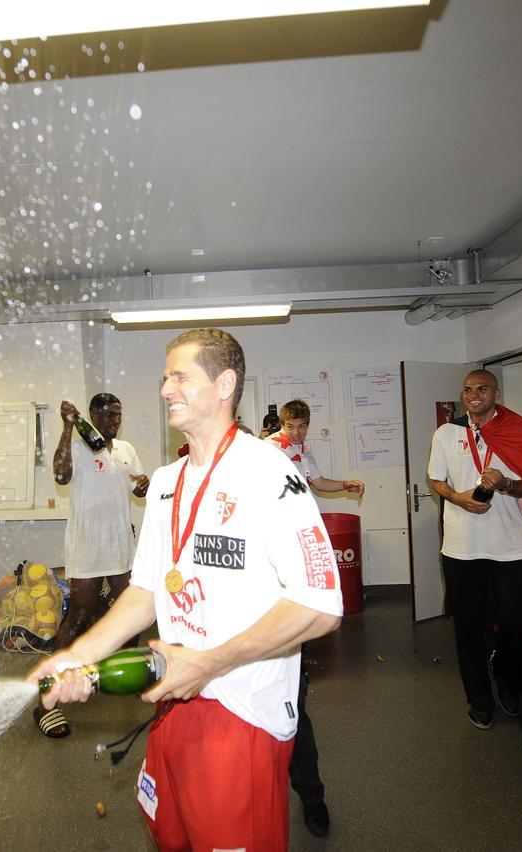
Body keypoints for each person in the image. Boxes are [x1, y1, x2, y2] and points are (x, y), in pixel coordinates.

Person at [30, 328, 343, 851]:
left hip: (242, 713)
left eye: (180, 376)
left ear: (224, 385)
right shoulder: (168, 482)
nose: (165, 389)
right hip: (173, 703)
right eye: (164, 377)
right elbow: (146, 589)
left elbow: (321, 603)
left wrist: (210, 662)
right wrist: (77, 655)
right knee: (171, 836)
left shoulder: (268, 471)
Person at [263, 398, 364, 837]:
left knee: (295, 709)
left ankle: (312, 799)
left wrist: (345, 484)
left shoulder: (303, 452)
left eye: (305, 426)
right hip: (269, 584)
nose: (300, 433)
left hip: (299, 571)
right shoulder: (267, 452)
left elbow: (319, 482)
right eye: (295, 426)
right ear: (283, 424)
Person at [427, 369, 522, 731]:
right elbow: (436, 480)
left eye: (481, 389)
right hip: (463, 546)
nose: (473, 395)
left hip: (512, 544)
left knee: (517, 620)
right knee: (467, 627)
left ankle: (508, 682)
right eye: (467, 390)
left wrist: (505, 483)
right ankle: (479, 700)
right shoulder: (447, 433)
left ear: (496, 392)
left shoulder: (517, 429)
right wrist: (459, 498)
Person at [34, 393, 149, 738]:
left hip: (120, 544)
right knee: (80, 616)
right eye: (110, 415)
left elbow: (138, 491)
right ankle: (46, 703)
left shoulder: (125, 449)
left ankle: (127, 676)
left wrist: (144, 485)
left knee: (131, 610)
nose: (115, 421)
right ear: (93, 415)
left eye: (119, 415)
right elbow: (60, 474)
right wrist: (69, 427)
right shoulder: (80, 447)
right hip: (87, 545)